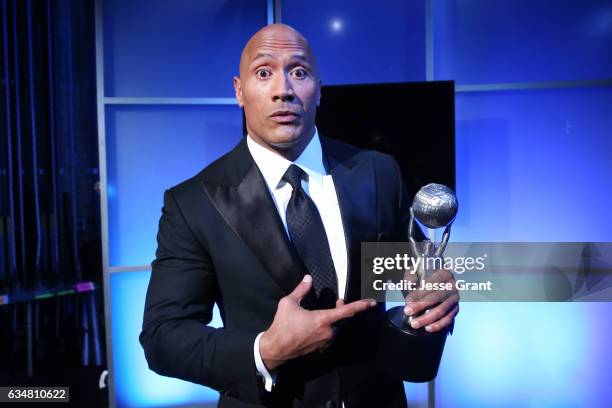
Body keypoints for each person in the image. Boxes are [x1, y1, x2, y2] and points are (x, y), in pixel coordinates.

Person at [139, 24, 459, 408]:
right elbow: (163, 338)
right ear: (239, 91)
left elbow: (410, 265)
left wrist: (434, 289)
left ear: (319, 89)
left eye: (298, 72)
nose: (283, 90)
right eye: (263, 72)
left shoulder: (377, 172)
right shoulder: (192, 203)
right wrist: (265, 349)